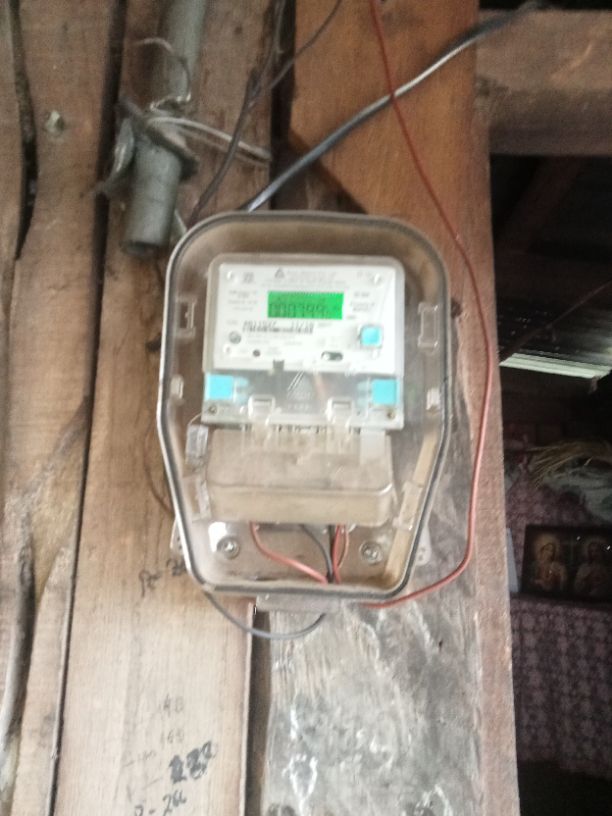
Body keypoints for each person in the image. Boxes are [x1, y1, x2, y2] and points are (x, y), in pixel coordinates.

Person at [573, 536, 612, 600]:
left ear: (602, 551)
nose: (594, 554)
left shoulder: (608, 568)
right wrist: (587, 581)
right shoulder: (584, 567)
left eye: (597, 551)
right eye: (591, 551)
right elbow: (576, 587)